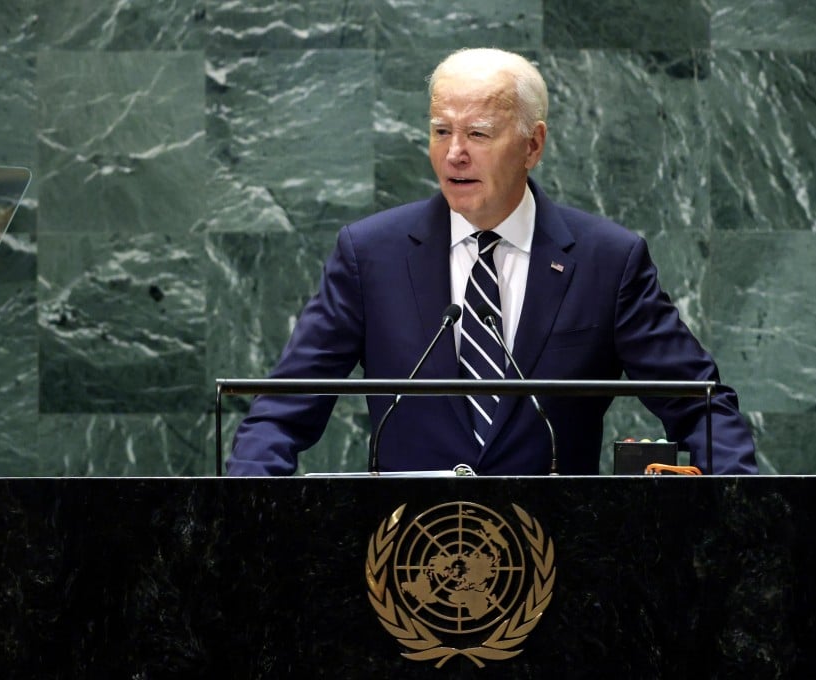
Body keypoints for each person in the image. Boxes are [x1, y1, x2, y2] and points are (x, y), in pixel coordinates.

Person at [228, 48, 757, 476]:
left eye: (478, 133)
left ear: (533, 145)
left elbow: (701, 405)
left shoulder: (607, 261)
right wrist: (241, 508)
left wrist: (745, 511)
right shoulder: (371, 254)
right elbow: (281, 410)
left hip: (562, 562)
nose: (455, 153)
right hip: (405, 560)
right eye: (440, 131)